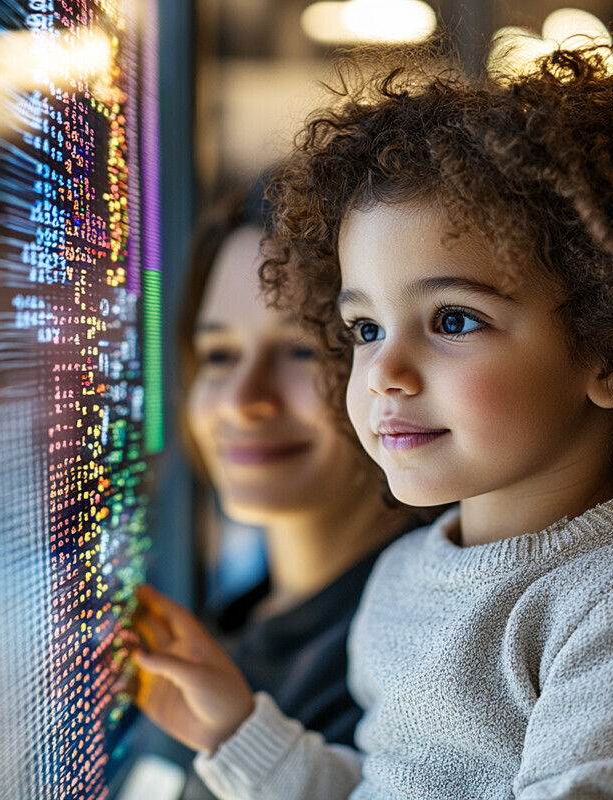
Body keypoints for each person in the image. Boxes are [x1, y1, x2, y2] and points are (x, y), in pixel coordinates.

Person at [132, 31, 613, 799]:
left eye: (453, 320)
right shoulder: (405, 575)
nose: (386, 373)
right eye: (366, 329)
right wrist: (236, 731)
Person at [159, 184, 420, 750]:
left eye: (302, 350)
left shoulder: (418, 657)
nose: (242, 399)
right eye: (219, 356)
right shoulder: (232, 618)